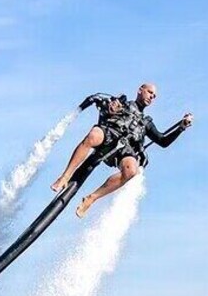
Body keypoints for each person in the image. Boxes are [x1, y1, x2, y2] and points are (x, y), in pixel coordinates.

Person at [51, 83, 194, 217]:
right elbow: (99, 103)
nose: (152, 97)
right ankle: (65, 176)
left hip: (124, 149)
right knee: (93, 135)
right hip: (109, 134)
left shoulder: (147, 123)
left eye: (154, 96)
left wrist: (181, 127)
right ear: (140, 90)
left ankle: (91, 198)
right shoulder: (122, 103)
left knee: (132, 170)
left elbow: (163, 141)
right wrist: (109, 108)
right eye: (150, 92)